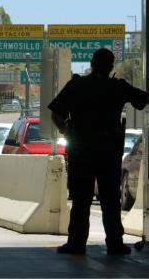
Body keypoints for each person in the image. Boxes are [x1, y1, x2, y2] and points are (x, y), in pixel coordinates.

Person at [48, 48, 149, 255]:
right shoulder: (117, 87)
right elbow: (142, 100)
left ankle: (76, 243)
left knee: (81, 199)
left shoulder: (76, 85)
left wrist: (69, 133)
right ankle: (115, 243)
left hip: (81, 150)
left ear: (92, 63)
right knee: (110, 199)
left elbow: (56, 114)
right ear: (111, 66)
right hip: (108, 151)